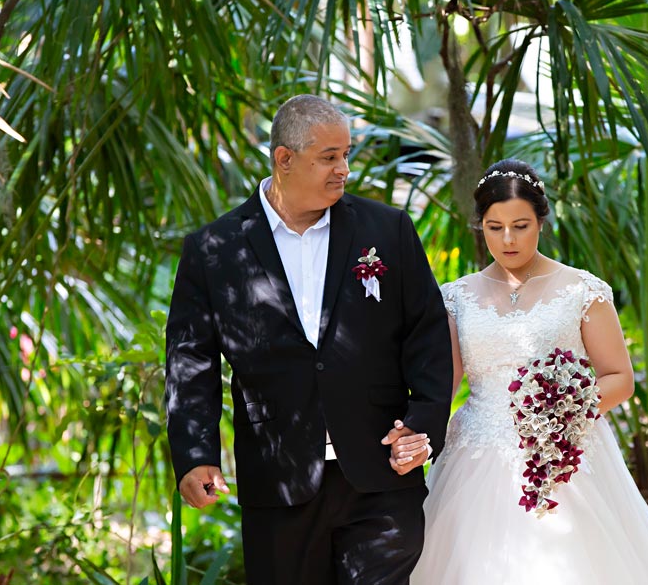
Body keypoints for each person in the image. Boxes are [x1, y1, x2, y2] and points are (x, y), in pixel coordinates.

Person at [165, 94, 452, 585]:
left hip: (381, 476)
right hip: (277, 481)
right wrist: (196, 455)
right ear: (284, 159)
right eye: (329, 157)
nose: (343, 168)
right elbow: (192, 362)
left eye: (346, 155)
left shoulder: (389, 229)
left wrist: (421, 425)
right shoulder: (214, 249)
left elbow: (426, 336)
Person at [410, 159, 648, 583]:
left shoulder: (583, 290)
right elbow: (445, 384)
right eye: (495, 227)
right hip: (474, 458)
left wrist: (565, 410)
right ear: (481, 226)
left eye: (521, 225)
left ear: (541, 221)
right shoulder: (455, 297)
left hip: (563, 456)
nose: (508, 239)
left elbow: (620, 377)